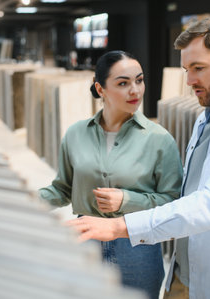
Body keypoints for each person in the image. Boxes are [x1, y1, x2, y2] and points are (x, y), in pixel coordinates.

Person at [68, 17, 210, 299]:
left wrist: (118, 226)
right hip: (181, 277)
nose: (189, 81)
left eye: (198, 68)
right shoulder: (205, 119)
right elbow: (186, 196)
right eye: (187, 69)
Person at [39, 50, 184, 299]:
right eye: (123, 83)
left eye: (139, 80)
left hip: (137, 247)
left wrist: (128, 200)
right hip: (86, 244)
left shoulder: (159, 139)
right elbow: (63, 188)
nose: (135, 91)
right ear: (100, 89)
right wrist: (21, 200)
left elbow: (173, 201)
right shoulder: (75, 134)